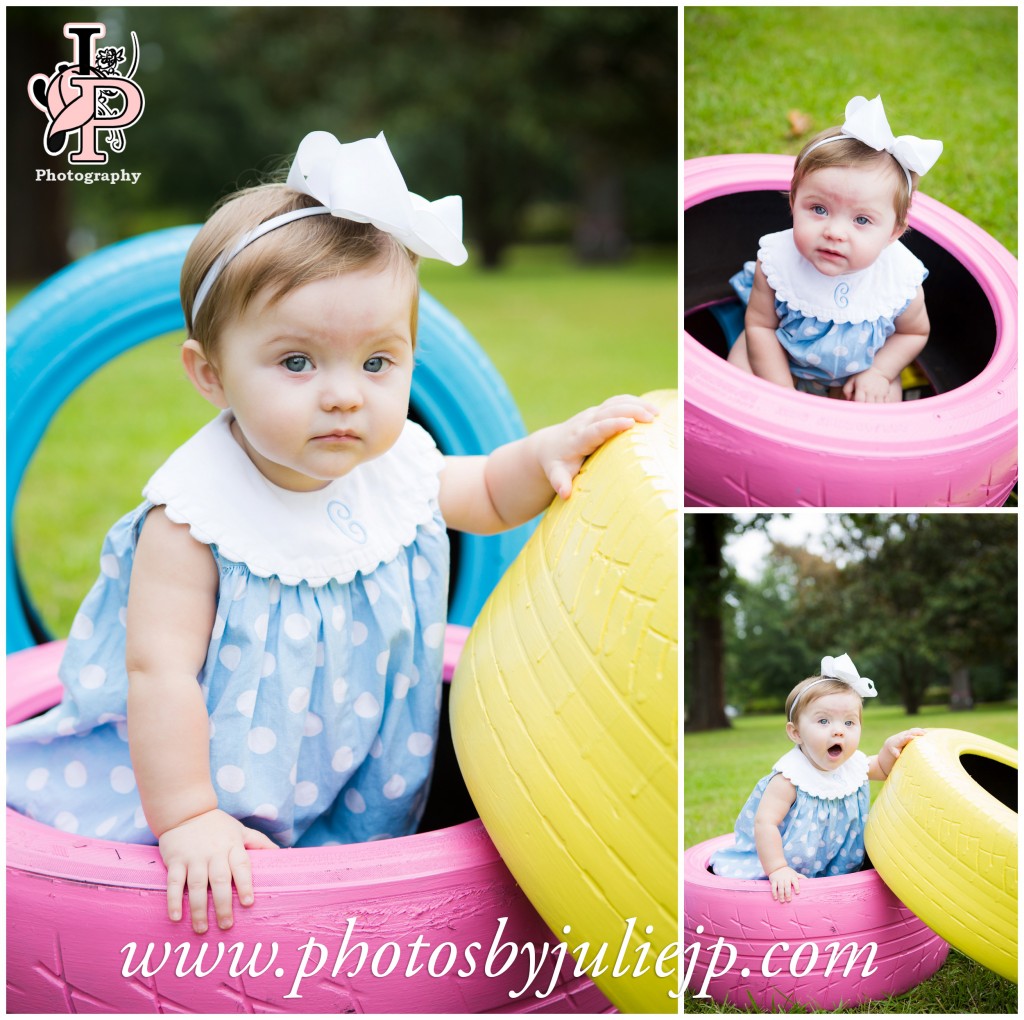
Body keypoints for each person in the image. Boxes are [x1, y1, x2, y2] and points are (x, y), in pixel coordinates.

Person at [6, 130, 658, 935]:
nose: (345, 396)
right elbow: (160, 675)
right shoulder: (194, 520)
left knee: (349, 880)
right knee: (190, 878)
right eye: (297, 363)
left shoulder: (397, 467)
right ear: (210, 374)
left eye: (378, 363)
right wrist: (187, 817)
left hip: (347, 766)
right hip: (201, 771)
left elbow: (486, 492)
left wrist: (547, 451)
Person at [727, 95, 943, 402]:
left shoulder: (898, 281)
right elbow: (760, 327)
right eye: (818, 209)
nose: (835, 232)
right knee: (738, 378)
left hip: (856, 374)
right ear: (793, 203)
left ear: (894, 231)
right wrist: (782, 393)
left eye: (862, 219)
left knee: (881, 408)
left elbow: (913, 333)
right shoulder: (777, 264)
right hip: (777, 361)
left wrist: (879, 372)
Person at [709, 653, 924, 902]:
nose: (838, 731)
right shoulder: (789, 779)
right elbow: (765, 823)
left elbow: (883, 769)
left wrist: (889, 749)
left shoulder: (852, 766)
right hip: (784, 859)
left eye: (849, 722)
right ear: (796, 733)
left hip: (834, 862)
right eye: (823, 721)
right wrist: (777, 868)